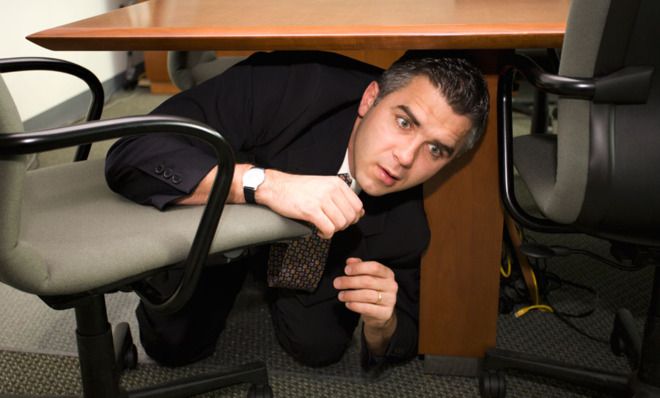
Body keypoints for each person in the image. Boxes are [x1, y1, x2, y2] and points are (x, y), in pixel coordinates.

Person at [105, 50, 489, 369]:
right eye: (404, 122)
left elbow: (402, 331)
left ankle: (267, 275)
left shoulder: (404, 221)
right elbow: (130, 153)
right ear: (370, 99)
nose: (406, 158)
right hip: (221, 218)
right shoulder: (288, 85)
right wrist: (264, 184)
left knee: (318, 349)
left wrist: (381, 324)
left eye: (436, 149)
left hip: (312, 257)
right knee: (173, 348)